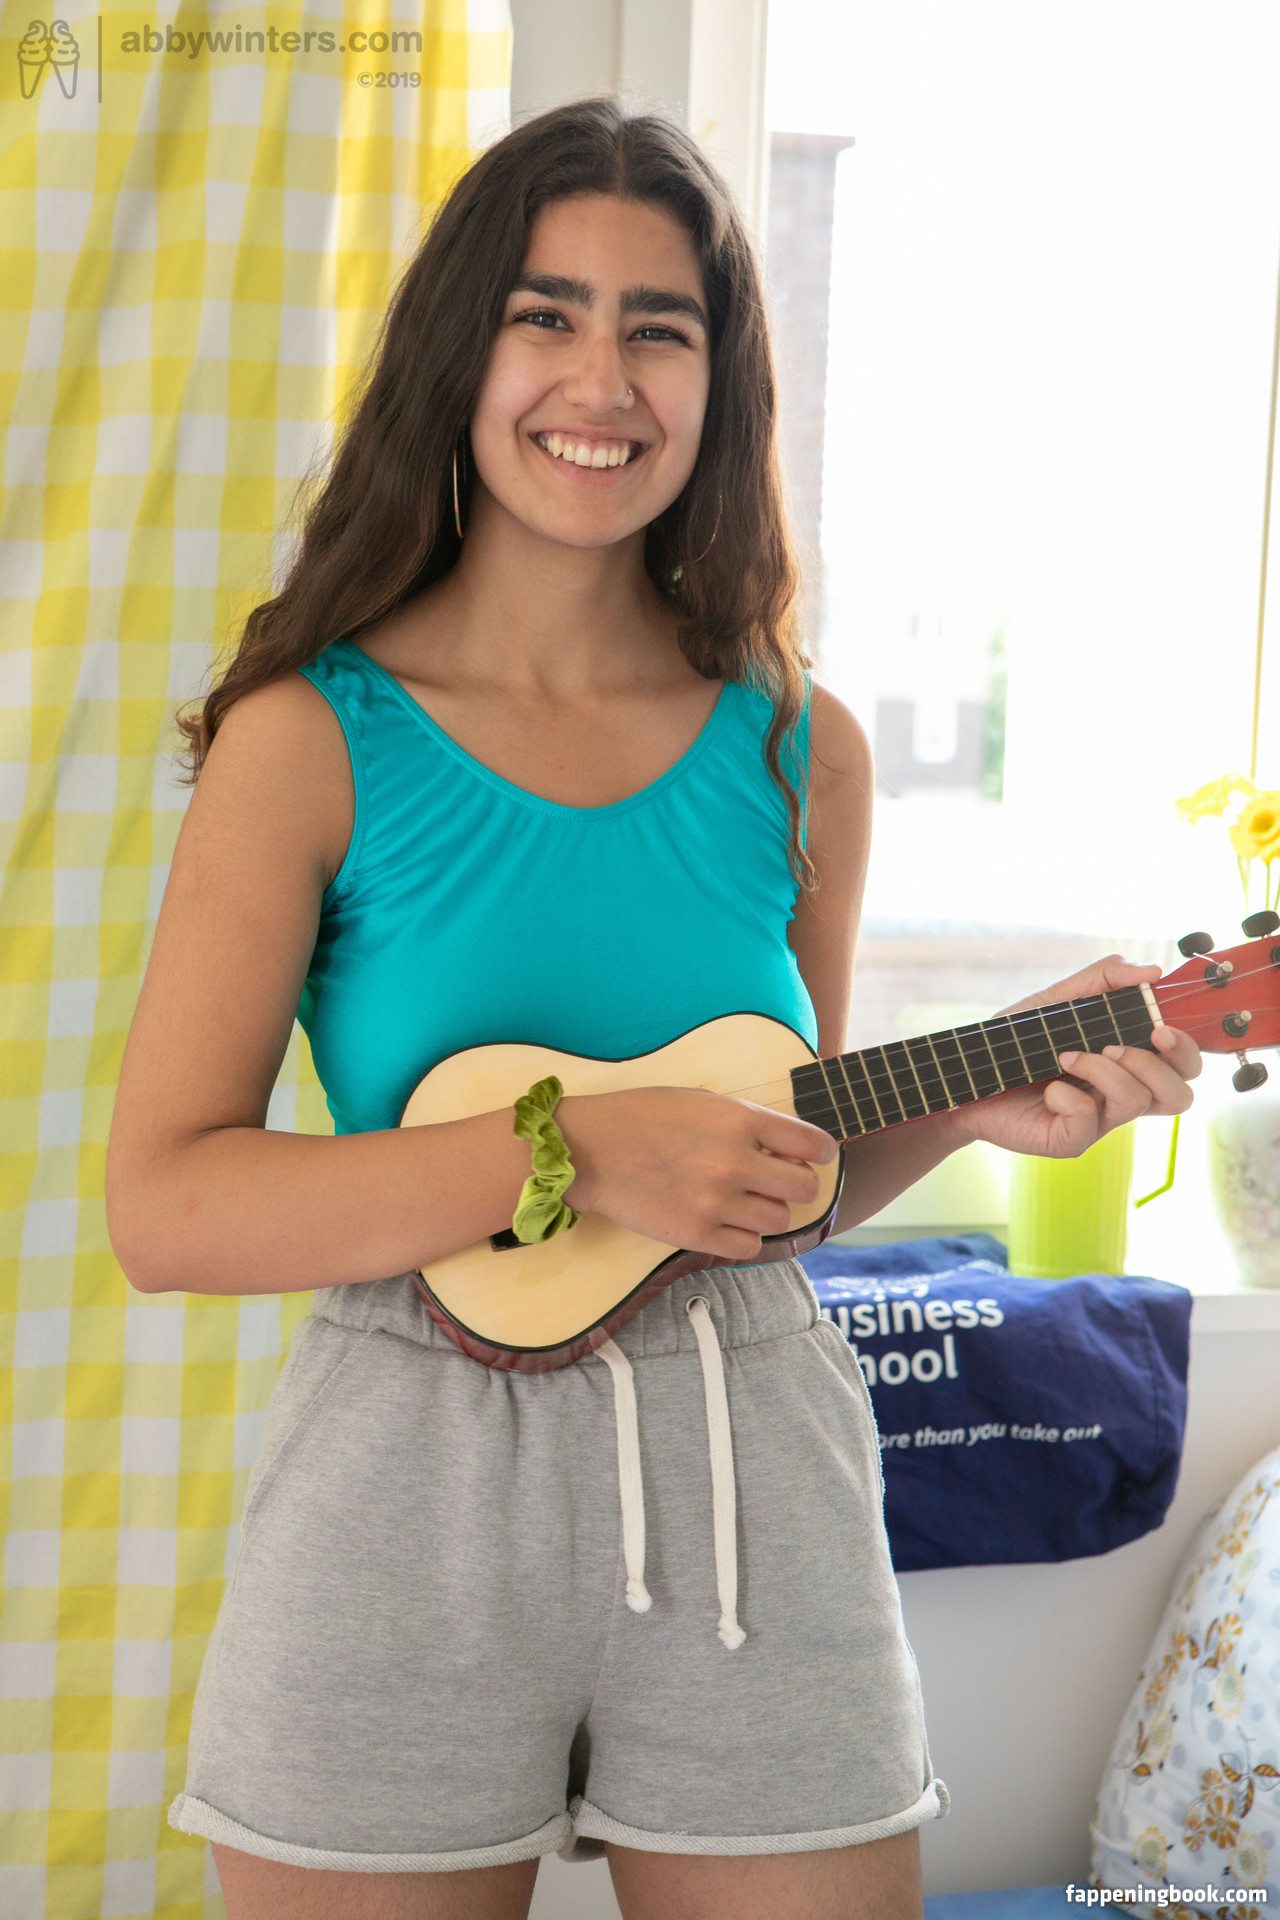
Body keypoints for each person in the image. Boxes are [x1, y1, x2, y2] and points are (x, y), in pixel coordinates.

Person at [104, 97, 1200, 1920]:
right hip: (405, 1494)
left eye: (658, 328)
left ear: (721, 383)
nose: (600, 379)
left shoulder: (800, 749)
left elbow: (767, 1183)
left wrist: (964, 1099)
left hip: (759, 1474)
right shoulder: (307, 742)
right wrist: (575, 1150)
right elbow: (168, 1208)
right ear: (460, 354)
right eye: (545, 314)